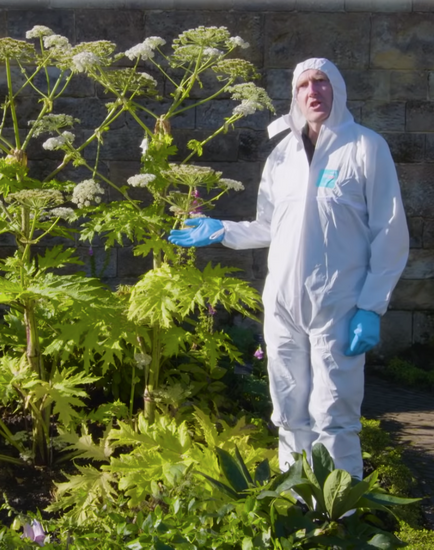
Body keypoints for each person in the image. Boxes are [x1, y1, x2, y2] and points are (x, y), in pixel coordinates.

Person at [169, 58, 409, 479]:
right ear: (294, 95)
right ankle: (296, 502)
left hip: (339, 304)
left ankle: (339, 516)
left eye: (321, 82)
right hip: (282, 303)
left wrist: (372, 306)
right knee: (288, 410)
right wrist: (221, 229)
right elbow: (268, 226)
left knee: (334, 414)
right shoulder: (281, 155)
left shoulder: (365, 147)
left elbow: (390, 232)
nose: (313, 91)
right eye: (303, 85)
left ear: (338, 89)